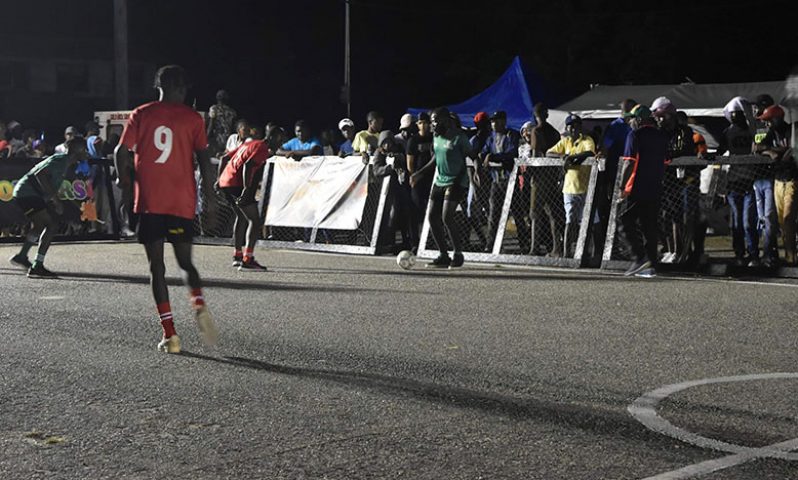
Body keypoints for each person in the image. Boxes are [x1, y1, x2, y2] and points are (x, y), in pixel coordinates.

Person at [114, 64, 219, 354]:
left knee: (156, 268)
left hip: (150, 203)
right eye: (184, 88)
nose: (185, 93)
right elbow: (204, 160)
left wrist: (124, 182)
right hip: (181, 201)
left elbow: (121, 151)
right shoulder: (192, 119)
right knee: (186, 263)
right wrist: (209, 199)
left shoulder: (142, 113)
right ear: (174, 86)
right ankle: (198, 304)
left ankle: (170, 334)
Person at [8, 137, 89, 277]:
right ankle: (37, 266)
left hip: (27, 193)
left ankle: (22, 256)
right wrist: (55, 200)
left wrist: (77, 205)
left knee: (39, 226)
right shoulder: (61, 161)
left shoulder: (64, 162)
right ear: (78, 149)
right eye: (85, 149)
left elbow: (53, 186)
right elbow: (40, 175)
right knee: (51, 225)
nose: (87, 152)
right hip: (27, 193)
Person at [410, 107, 475, 268]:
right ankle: (443, 254)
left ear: (446, 120)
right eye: (432, 121)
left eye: (436, 121)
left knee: (447, 217)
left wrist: (477, 171)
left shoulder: (459, 137)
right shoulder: (436, 136)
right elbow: (435, 158)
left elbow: (473, 155)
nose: (433, 124)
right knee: (432, 216)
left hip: (456, 181)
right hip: (440, 180)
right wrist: (419, 173)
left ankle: (458, 253)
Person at [618, 105, 670, 278]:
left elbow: (629, 162)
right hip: (655, 186)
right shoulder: (661, 136)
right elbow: (666, 161)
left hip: (636, 187)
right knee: (649, 226)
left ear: (639, 119)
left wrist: (621, 186)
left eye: (632, 118)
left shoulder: (635, 135)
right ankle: (651, 263)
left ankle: (639, 257)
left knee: (624, 221)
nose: (630, 122)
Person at [216, 137, 271, 271]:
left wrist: (218, 180)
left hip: (226, 182)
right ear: (275, 138)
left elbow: (224, 159)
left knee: (241, 217)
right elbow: (248, 164)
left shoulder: (248, 143)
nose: (281, 144)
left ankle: (237, 255)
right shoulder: (262, 147)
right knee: (255, 221)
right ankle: (248, 259)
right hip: (237, 184)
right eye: (280, 140)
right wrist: (247, 189)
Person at [546, 114, 596, 257]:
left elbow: (590, 152)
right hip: (569, 188)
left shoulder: (586, 140)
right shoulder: (565, 141)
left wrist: (573, 157)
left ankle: (587, 253)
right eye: (570, 126)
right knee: (570, 221)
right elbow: (549, 153)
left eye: (576, 125)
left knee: (587, 221)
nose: (573, 128)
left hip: (586, 187)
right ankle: (567, 253)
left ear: (580, 127)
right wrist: (562, 157)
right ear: (567, 128)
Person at [480, 111, 528, 253]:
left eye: (496, 121)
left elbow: (511, 154)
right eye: (492, 121)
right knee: (494, 213)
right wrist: (484, 157)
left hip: (510, 180)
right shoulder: (491, 137)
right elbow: (484, 151)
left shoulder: (511, 135)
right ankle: (491, 245)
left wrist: (493, 157)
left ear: (503, 121)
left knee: (517, 213)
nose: (494, 124)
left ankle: (524, 244)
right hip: (496, 180)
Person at [718, 98, 758, 266]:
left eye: (738, 114)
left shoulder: (752, 131)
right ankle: (739, 253)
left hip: (750, 179)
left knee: (748, 221)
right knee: (737, 222)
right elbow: (720, 150)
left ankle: (753, 253)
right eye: (733, 114)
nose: (735, 117)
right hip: (734, 181)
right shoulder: (727, 132)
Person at [595, 99, 635, 257]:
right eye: (627, 110)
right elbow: (605, 148)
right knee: (616, 211)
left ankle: (631, 248)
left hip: (634, 175)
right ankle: (614, 248)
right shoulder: (616, 126)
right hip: (616, 176)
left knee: (631, 212)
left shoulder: (637, 125)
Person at [756, 105, 795, 266]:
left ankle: (792, 257)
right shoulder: (772, 133)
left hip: (793, 179)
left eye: (769, 120)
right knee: (781, 221)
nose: (767, 124)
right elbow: (757, 147)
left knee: (788, 219)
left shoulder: (791, 130)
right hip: (778, 180)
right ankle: (789, 256)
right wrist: (771, 151)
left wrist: (776, 150)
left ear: (777, 118)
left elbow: (790, 150)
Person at [529, 103, 563, 256]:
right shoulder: (554, 132)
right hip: (553, 175)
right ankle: (556, 247)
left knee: (535, 213)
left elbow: (536, 155)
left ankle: (534, 247)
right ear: (546, 114)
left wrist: (532, 175)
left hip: (541, 175)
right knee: (553, 213)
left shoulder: (536, 131)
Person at [405, 112, 434, 251]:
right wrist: (413, 176)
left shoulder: (434, 138)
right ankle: (415, 242)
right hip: (417, 180)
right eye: (421, 123)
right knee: (416, 211)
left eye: (426, 123)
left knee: (431, 211)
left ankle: (430, 241)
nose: (424, 126)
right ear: (417, 125)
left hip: (432, 179)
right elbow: (409, 162)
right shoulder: (413, 141)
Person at [206, 89, 237, 157]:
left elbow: (211, 125)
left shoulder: (214, 109)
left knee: (214, 159)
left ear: (217, 98)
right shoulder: (232, 112)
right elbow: (233, 128)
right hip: (228, 140)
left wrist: (206, 138)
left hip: (216, 139)